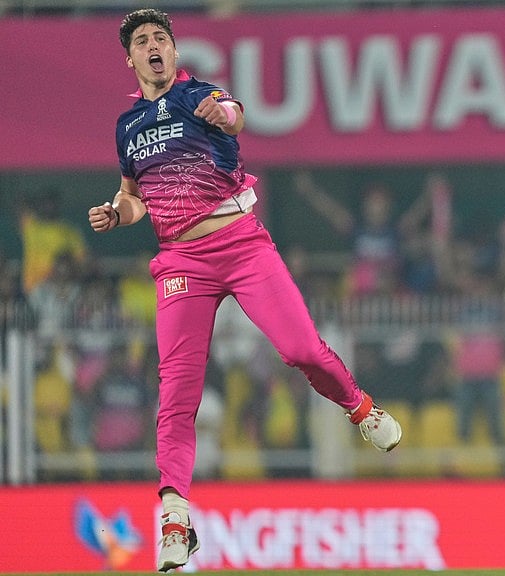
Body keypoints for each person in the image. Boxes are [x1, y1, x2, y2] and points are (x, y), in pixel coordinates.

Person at [87, 9, 402, 572]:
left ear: (175, 52)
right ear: (130, 59)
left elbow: (235, 116)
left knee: (301, 349)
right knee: (177, 392)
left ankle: (361, 408)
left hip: (240, 243)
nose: (154, 46)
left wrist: (224, 113)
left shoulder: (200, 94)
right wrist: (118, 212)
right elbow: (135, 194)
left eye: (162, 37)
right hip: (181, 258)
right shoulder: (127, 125)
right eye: (143, 41)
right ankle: (176, 519)